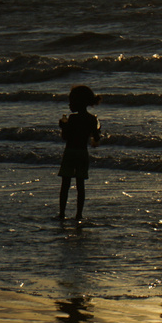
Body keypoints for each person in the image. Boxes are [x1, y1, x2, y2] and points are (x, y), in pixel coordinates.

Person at [57, 85, 103, 221]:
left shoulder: (72, 118)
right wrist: (97, 132)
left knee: (65, 184)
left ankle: (62, 213)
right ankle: (79, 214)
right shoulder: (92, 119)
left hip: (70, 152)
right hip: (83, 153)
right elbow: (96, 138)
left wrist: (63, 127)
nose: (70, 104)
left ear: (78, 102)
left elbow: (66, 137)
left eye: (71, 101)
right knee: (80, 186)